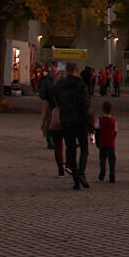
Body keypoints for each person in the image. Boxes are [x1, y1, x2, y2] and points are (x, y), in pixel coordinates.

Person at [54, 61, 94, 190]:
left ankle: (76, 178)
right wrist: (90, 123)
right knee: (84, 147)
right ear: (76, 70)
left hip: (66, 120)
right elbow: (86, 105)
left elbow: (54, 98)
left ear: (66, 69)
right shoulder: (80, 84)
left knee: (71, 149)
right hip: (80, 121)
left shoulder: (60, 85)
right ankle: (81, 173)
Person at [38, 62, 59, 150]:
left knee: (56, 122)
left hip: (57, 105)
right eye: (52, 72)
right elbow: (42, 93)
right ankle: (49, 140)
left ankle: (55, 140)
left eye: (55, 72)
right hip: (49, 103)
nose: (53, 73)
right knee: (48, 122)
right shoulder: (46, 82)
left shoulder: (59, 81)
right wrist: (46, 99)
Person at [95, 100, 117, 183]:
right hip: (111, 143)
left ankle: (102, 173)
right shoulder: (113, 121)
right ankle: (112, 175)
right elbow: (115, 132)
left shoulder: (99, 120)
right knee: (112, 160)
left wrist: (94, 141)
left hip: (102, 142)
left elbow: (96, 132)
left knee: (102, 159)